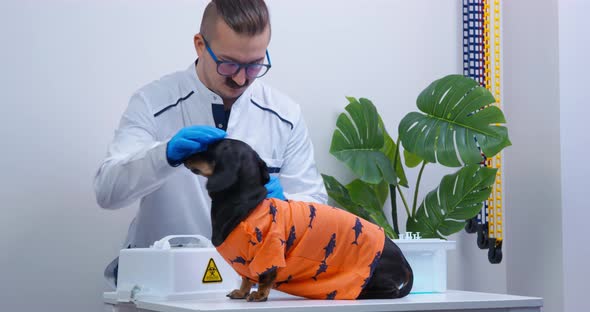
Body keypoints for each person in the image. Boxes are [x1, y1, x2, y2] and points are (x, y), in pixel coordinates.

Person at [93, 0, 327, 287]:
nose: (241, 78)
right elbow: (108, 192)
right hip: (163, 284)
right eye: (229, 64)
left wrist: (286, 207)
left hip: (250, 284)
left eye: (254, 65)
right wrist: (162, 156)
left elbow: (314, 203)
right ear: (200, 45)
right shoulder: (152, 102)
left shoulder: (284, 115)